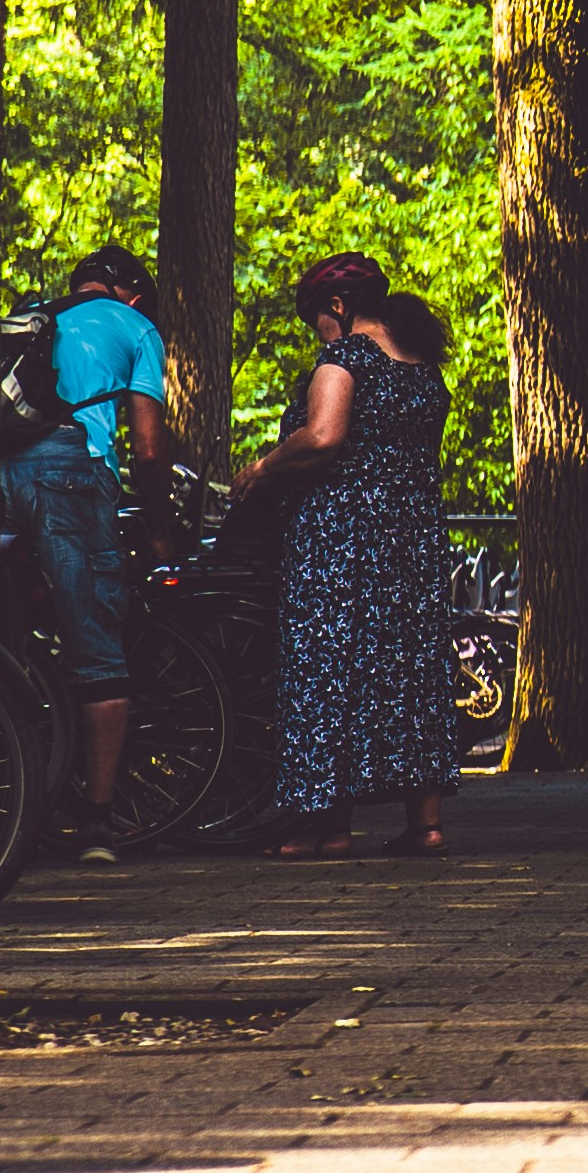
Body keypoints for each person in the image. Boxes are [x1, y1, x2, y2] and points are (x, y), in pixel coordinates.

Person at [231, 253, 454, 860]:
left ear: (338, 307)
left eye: (317, 322)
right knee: (409, 671)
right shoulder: (421, 365)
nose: (318, 337)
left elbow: (325, 436)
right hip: (412, 537)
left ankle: (327, 828)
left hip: (342, 540)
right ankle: (426, 825)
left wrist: (263, 467)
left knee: (327, 667)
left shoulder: (345, 359)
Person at [5, 248, 179, 850]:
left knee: (9, 634)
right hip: (71, 472)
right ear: (131, 293)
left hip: (0, 472)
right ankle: (98, 823)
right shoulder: (136, 327)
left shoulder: (32, 314)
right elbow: (149, 450)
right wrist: (159, 529)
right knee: (95, 641)